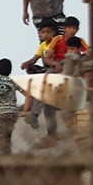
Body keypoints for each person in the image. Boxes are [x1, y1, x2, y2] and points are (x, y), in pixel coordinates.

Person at [19, 19, 62, 149]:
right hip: (48, 71)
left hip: (57, 71)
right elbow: (35, 58)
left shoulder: (57, 42)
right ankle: (34, 112)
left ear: (53, 32)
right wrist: (27, 63)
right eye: (42, 32)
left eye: (47, 32)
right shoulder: (43, 45)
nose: (45, 35)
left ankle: (34, 114)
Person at [0, 59, 33, 156]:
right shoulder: (14, 81)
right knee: (7, 136)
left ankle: (0, 162)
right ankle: (8, 158)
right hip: (12, 113)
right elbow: (28, 95)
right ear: (10, 70)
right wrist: (25, 110)